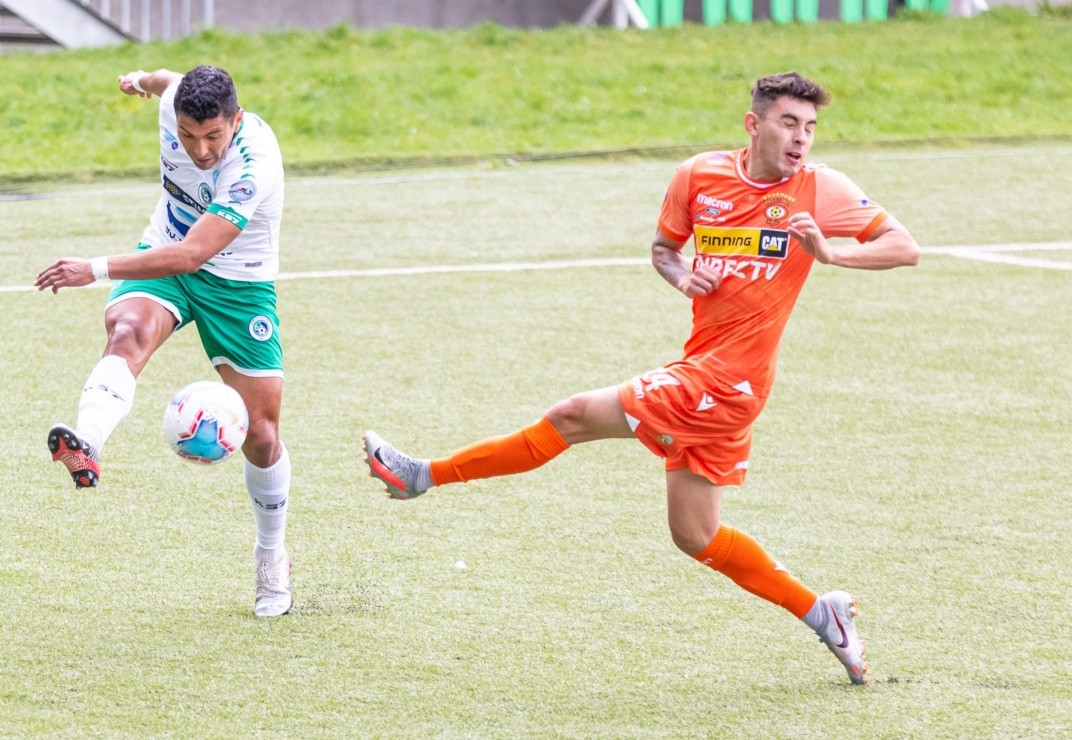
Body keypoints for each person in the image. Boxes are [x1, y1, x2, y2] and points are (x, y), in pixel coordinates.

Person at [362, 71, 920, 684]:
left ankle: (422, 476)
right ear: (753, 124)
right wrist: (682, 276)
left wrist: (834, 253)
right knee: (696, 536)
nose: (801, 140)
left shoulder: (822, 190)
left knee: (573, 415)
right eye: (789, 123)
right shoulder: (698, 176)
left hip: (731, 382)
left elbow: (903, 245)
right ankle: (824, 613)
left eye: (810, 128)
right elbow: (663, 248)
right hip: (704, 369)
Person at [35, 65, 294, 617]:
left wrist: (95, 268)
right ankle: (88, 442)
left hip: (236, 282)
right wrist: (136, 79)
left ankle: (272, 555)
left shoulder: (254, 164)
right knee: (127, 331)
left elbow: (196, 255)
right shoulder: (173, 101)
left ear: (236, 122)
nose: (200, 151)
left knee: (263, 435)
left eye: (213, 137)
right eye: (188, 136)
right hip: (166, 252)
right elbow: (163, 80)